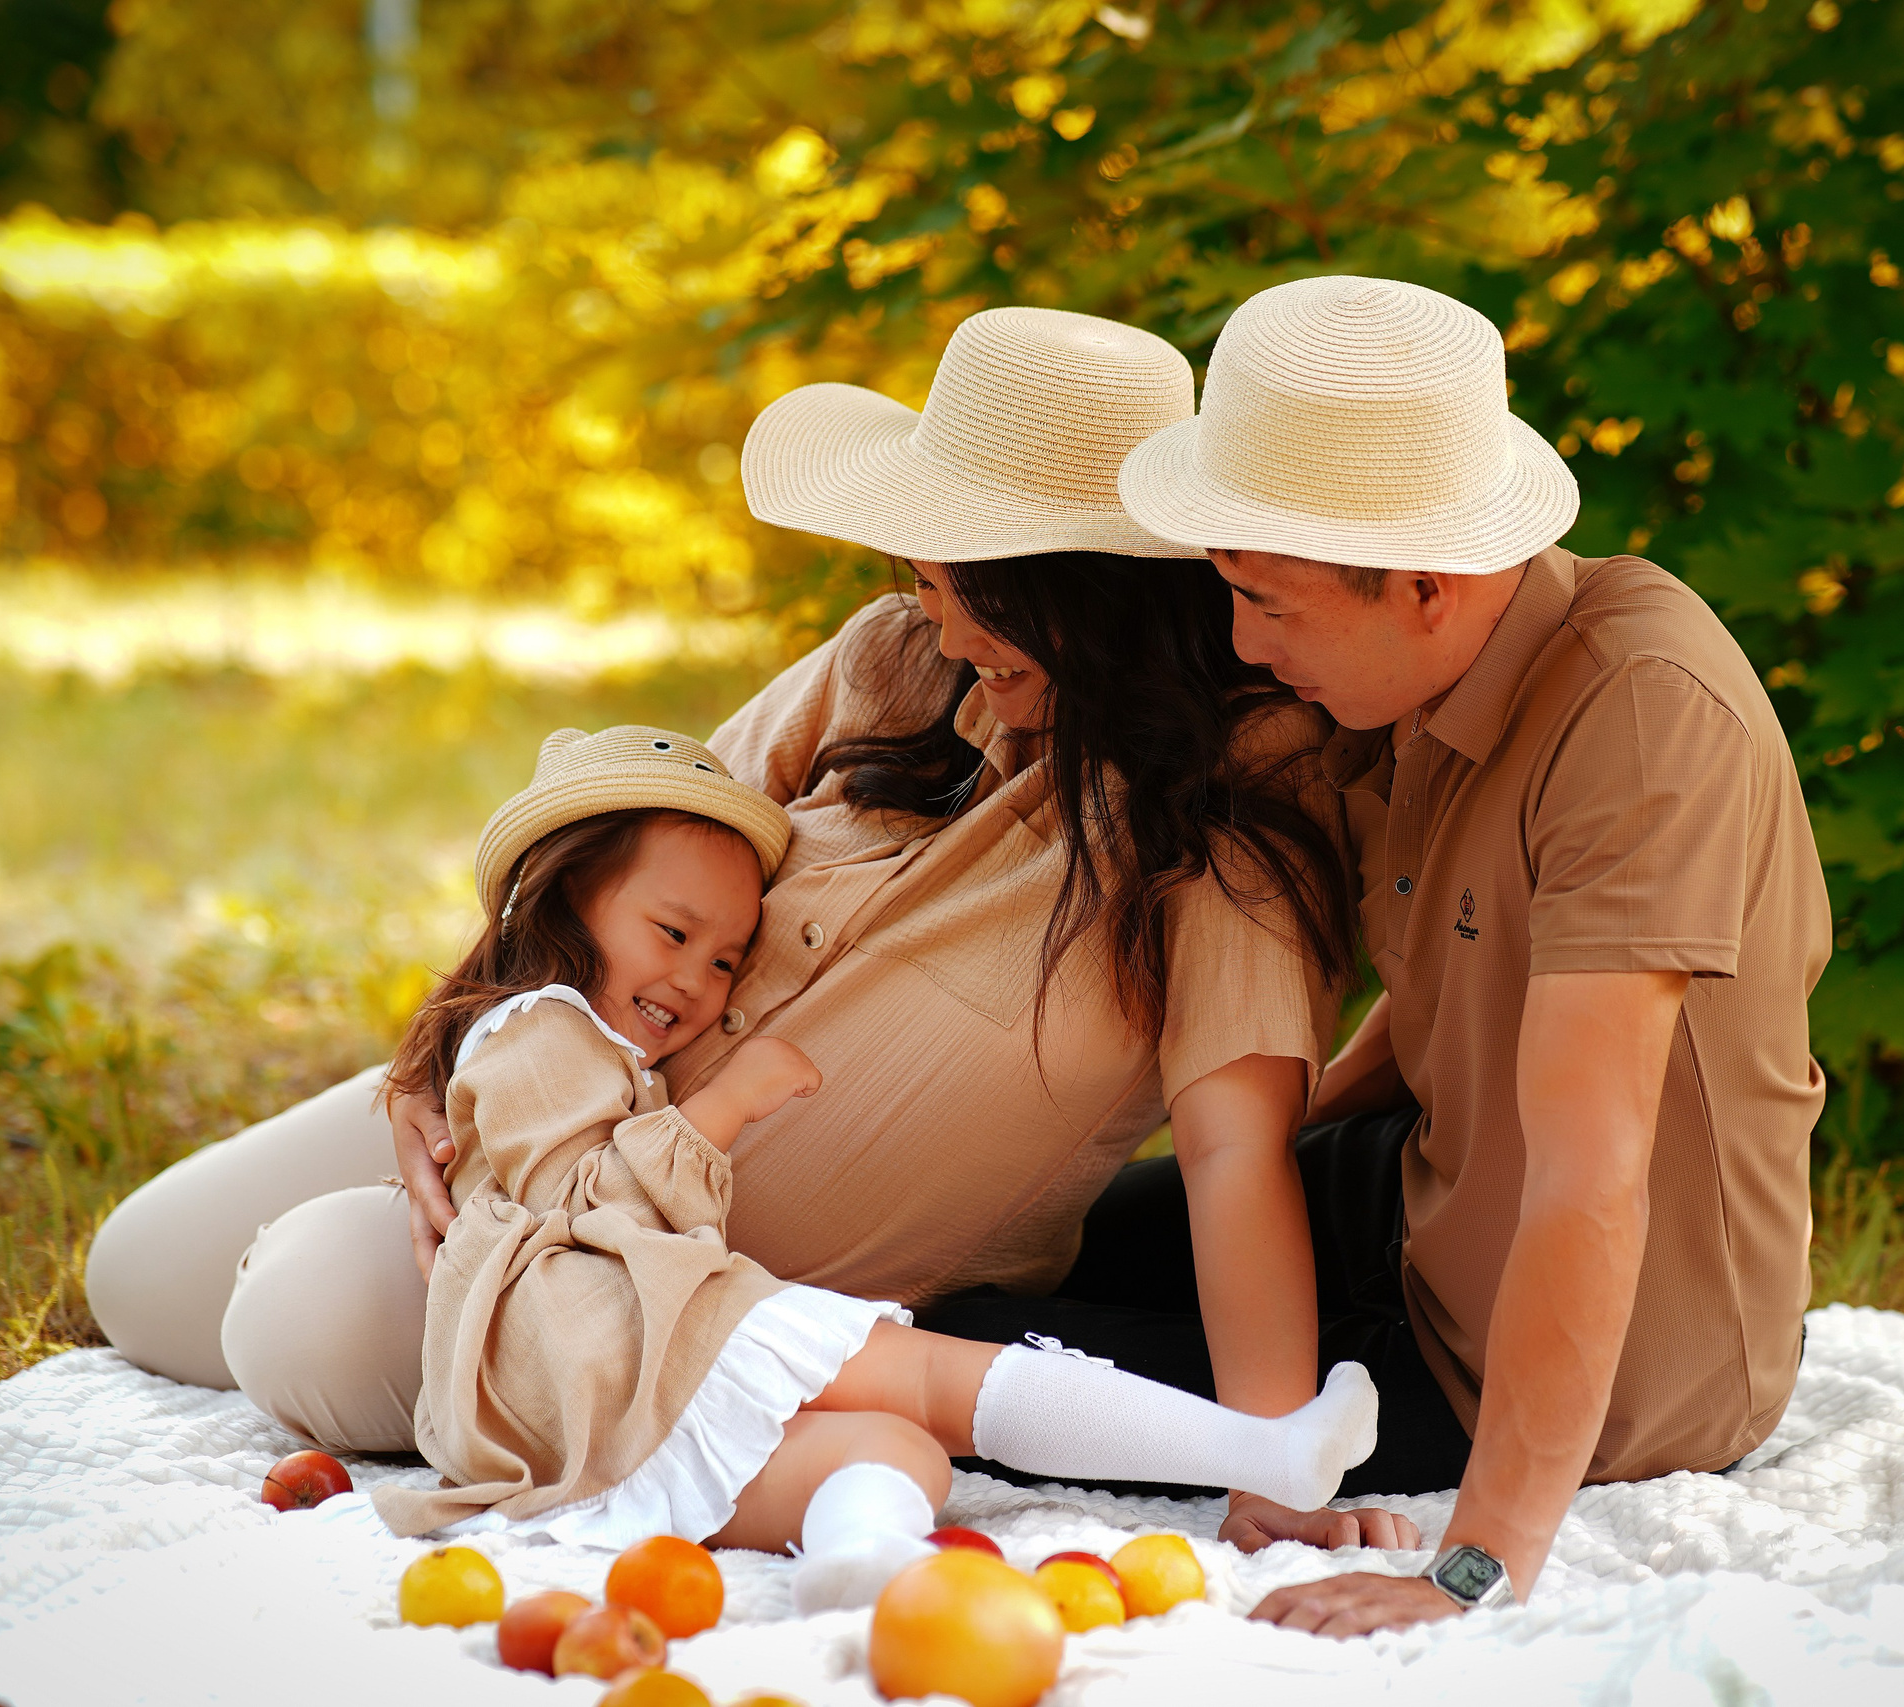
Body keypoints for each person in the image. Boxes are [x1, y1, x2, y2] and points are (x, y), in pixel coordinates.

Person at [82, 305, 1405, 1548]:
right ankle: (407, 1223)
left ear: (1087, 588)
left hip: (661, 1275)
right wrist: (441, 1065)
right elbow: (615, 846)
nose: (928, 597)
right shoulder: (901, 655)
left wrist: (1267, 1453)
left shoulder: (1224, 824)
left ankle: (461, 1310)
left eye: (964, 572)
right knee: (137, 1269)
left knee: (303, 1300)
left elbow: (1236, 1153)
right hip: (551, 1097)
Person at [1073, 274, 1832, 1631]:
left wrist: (1469, 1564)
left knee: (977, 1354)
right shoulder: (1422, 680)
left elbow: (1591, 1173)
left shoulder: (1640, 720)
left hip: (1558, 1367)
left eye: (1272, 603)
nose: (1244, 641)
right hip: (1416, 1207)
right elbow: (1444, 1013)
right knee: (1037, 1250)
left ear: (1431, 582)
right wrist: (1271, 1145)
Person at [360, 723, 1376, 1607]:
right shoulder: (537, 1029)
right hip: (587, 1344)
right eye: (672, 933)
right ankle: (1261, 1451)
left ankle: (862, 1559)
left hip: (595, 1408)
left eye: (725, 959)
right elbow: (576, 1203)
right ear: (564, 900)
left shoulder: (602, 1044)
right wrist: (726, 1102)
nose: (696, 980)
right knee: (928, 1378)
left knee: (902, 1453)